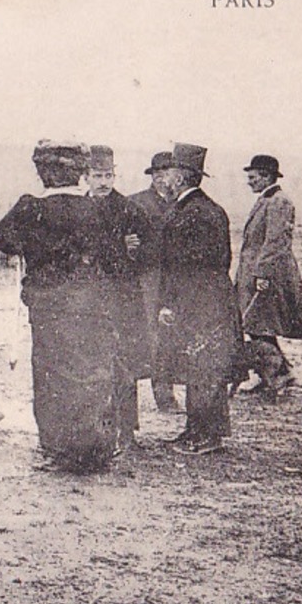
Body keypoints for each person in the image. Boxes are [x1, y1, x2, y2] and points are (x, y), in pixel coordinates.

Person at [0, 142, 120, 471]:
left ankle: (59, 449)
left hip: (48, 305)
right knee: (92, 373)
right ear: (80, 172)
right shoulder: (99, 210)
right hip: (92, 304)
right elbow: (113, 256)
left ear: (42, 173)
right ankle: (94, 448)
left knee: (51, 376)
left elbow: (3, 240)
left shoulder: (30, 208)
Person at [154, 143, 241, 455]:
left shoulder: (194, 213)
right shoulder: (202, 208)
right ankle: (197, 430)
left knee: (204, 367)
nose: (164, 179)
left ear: (181, 177)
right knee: (200, 366)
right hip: (208, 299)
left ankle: (205, 435)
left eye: (170, 173)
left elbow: (186, 266)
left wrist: (171, 303)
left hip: (201, 302)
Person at [235, 154, 302, 395]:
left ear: (266, 176)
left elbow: (276, 242)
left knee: (258, 325)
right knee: (257, 326)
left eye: (252, 178)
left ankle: (277, 375)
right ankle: (275, 373)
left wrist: (263, 275)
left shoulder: (279, 201)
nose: (249, 182)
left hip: (266, 277)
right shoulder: (267, 199)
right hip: (255, 275)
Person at [87, 146, 152, 451]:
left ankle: (127, 432)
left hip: (121, 300)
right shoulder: (77, 209)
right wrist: (116, 246)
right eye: (97, 175)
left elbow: (149, 255)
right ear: (86, 177)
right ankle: (96, 431)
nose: (103, 181)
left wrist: (132, 251)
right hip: (87, 301)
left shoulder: (128, 209)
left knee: (124, 366)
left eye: (108, 175)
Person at [127, 151, 181, 413]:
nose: (165, 180)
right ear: (155, 176)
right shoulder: (136, 203)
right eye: (160, 174)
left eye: (169, 174)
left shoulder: (183, 203)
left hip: (176, 278)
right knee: (150, 334)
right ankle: (160, 395)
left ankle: (167, 391)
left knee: (171, 333)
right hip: (148, 278)